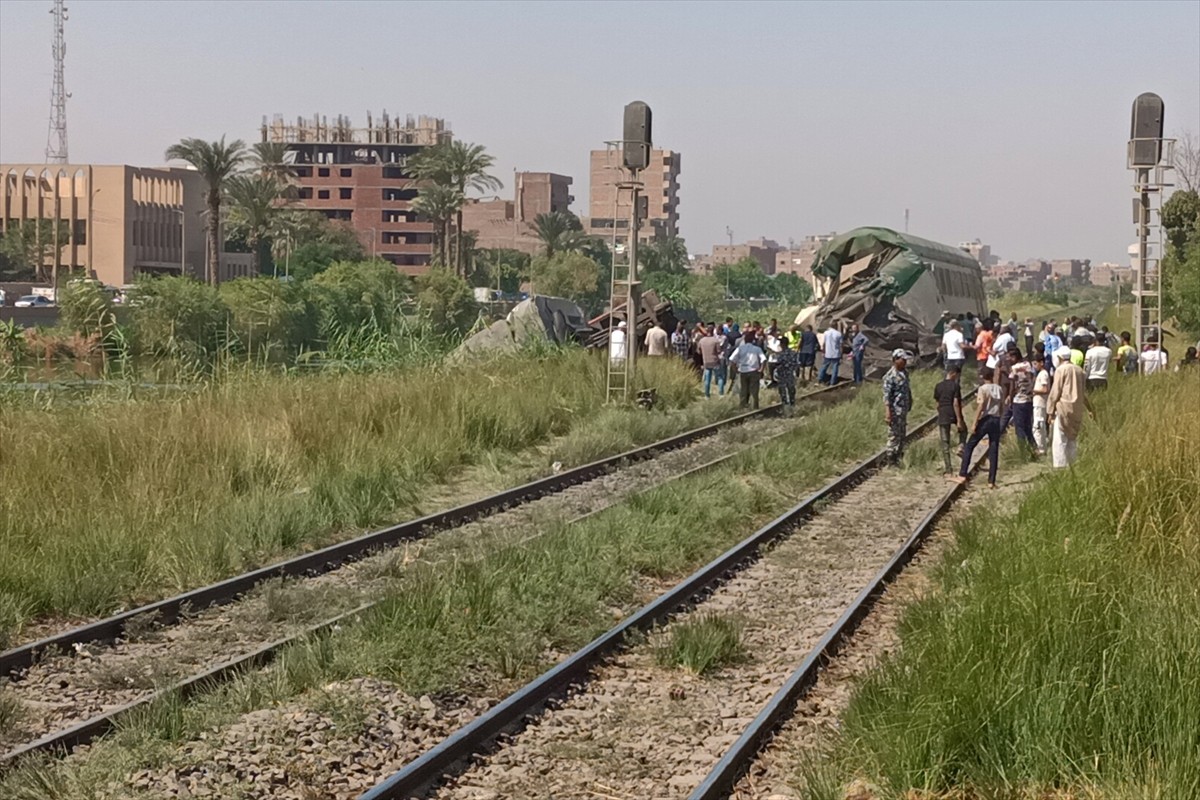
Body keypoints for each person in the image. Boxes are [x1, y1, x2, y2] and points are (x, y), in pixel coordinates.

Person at [953, 365, 1004, 488]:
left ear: (982, 376)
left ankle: (962, 474)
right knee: (994, 448)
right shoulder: (999, 389)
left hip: (985, 419)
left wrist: (975, 422)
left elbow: (981, 407)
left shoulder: (983, 389)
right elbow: (1001, 405)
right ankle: (991, 481)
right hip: (996, 419)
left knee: (970, 445)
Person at [1047, 346, 1094, 468]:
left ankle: (1060, 468)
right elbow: (1083, 393)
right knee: (1072, 439)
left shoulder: (1061, 370)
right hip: (1077, 408)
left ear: (1060, 357)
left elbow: (1055, 392)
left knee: (1059, 440)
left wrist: (1050, 410)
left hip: (1063, 407)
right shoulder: (1079, 371)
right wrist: (1089, 409)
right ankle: (1072, 466)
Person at [882, 349, 913, 464]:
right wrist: (888, 413)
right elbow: (887, 397)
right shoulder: (890, 377)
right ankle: (891, 459)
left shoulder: (905, 373)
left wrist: (910, 400)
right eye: (902, 359)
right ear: (895, 360)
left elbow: (907, 389)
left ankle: (899, 455)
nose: (904, 362)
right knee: (893, 435)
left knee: (902, 433)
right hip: (894, 410)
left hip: (903, 409)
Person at [934, 366, 967, 476]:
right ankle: (961, 446)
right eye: (957, 375)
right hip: (952, 412)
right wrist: (959, 420)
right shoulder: (955, 386)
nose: (957, 377)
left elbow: (937, 404)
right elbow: (956, 403)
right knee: (964, 430)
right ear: (953, 374)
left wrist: (940, 413)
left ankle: (949, 469)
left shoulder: (938, 386)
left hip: (942, 414)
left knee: (945, 443)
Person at [1006, 345, 1036, 452]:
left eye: (1009, 357)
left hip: (1018, 400)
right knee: (1028, 425)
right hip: (1028, 399)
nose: (1008, 359)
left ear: (1014, 357)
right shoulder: (1028, 364)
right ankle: (1033, 448)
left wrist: (1010, 397)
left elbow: (1012, 385)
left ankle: (1023, 452)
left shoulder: (1014, 368)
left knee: (1019, 427)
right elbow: (1033, 379)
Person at [728, 331, 766, 409]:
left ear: (744, 340)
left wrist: (735, 370)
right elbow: (764, 359)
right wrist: (761, 369)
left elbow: (731, 360)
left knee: (743, 390)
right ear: (752, 340)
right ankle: (754, 408)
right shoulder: (757, 349)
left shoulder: (740, 348)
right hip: (754, 371)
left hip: (743, 371)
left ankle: (743, 406)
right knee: (754, 392)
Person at [1031, 346, 1051, 457]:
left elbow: (1045, 389)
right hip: (1039, 403)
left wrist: (1033, 391)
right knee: (1039, 425)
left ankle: (1041, 449)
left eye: (1036, 363)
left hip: (1040, 403)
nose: (1035, 366)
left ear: (1041, 363)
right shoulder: (1041, 374)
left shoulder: (1043, 374)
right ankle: (1041, 447)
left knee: (1038, 426)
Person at [697, 325, 726, 398]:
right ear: (713, 331)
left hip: (706, 361)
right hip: (715, 361)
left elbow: (699, 351)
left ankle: (707, 395)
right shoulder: (715, 341)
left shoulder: (702, 340)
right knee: (720, 377)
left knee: (707, 379)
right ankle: (721, 393)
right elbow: (719, 351)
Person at [774, 336, 801, 412]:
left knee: (783, 392)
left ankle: (786, 408)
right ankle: (792, 405)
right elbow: (797, 365)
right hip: (791, 374)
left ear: (782, 344)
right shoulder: (793, 353)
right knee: (791, 390)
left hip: (782, 375)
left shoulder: (780, 355)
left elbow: (777, 364)